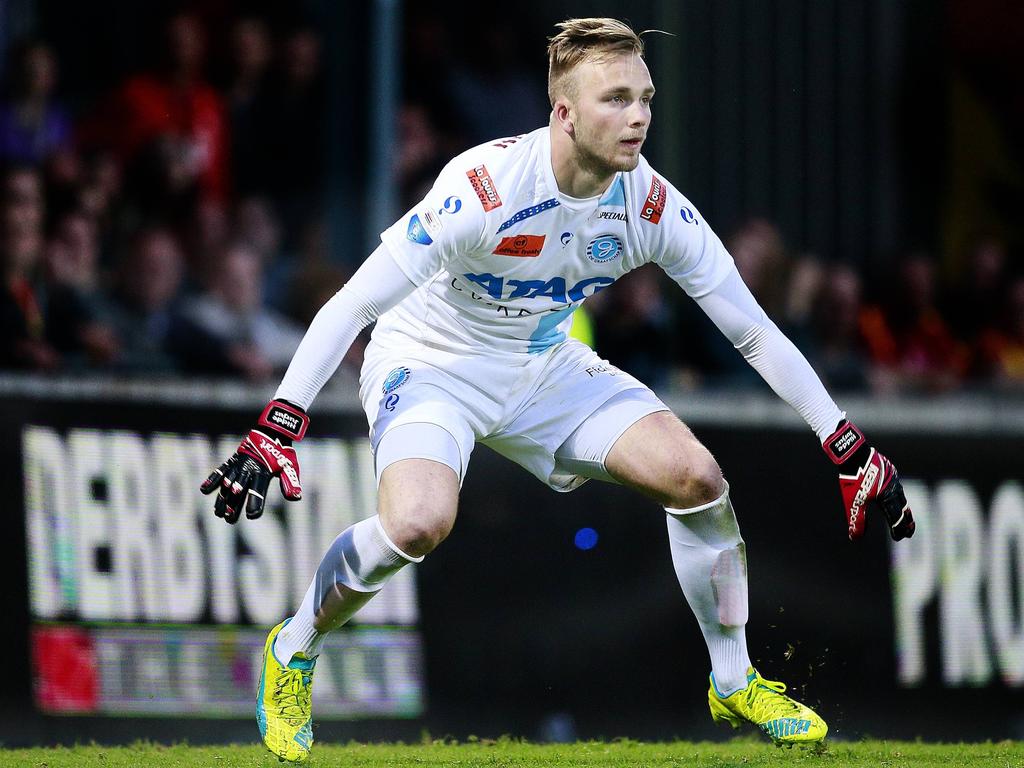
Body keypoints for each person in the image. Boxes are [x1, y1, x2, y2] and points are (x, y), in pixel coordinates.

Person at [201, 18, 916, 762]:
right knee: (416, 524)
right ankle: (294, 647)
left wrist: (845, 441)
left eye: (644, 97)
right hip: (433, 363)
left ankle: (733, 679)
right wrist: (278, 424)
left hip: (543, 364)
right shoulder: (483, 189)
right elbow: (353, 304)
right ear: (564, 112)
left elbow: (756, 332)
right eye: (615, 99)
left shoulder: (649, 206)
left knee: (698, 478)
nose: (637, 116)